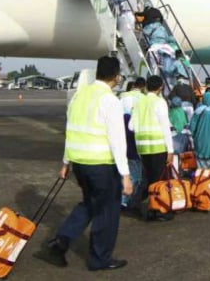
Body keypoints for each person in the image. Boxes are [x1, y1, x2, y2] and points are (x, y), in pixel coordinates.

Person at [41, 56, 133, 271]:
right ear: (117, 77)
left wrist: (65, 162)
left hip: (80, 164)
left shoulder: (79, 96)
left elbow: (70, 129)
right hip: (101, 164)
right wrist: (126, 174)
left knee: (90, 203)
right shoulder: (109, 100)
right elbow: (117, 140)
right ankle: (99, 259)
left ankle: (61, 241)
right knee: (107, 212)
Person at [129, 75, 175, 221]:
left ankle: (144, 206)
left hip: (142, 148)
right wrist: (171, 150)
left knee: (148, 178)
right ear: (160, 87)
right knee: (158, 181)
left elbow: (131, 126)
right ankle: (157, 210)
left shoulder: (138, 102)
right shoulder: (160, 102)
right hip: (157, 147)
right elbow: (165, 127)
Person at [119, 78, 146, 211]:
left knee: (125, 169)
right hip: (136, 138)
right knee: (136, 173)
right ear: (143, 87)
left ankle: (123, 198)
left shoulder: (122, 96)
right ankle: (127, 200)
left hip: (121, 137)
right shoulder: (144, 99)